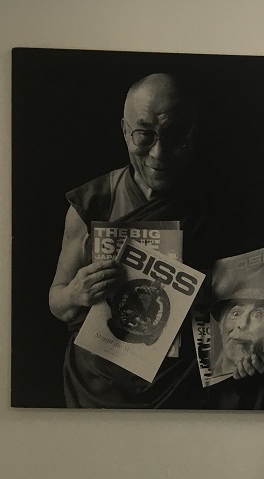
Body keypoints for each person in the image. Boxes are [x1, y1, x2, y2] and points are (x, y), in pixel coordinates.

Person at [48, 72, 213, 408]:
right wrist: (76, 292)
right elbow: (57, 302)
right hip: (98, 384)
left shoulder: (214, 205)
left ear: (192, 133)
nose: (159, 152)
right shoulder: (93, 203)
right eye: (144, 135)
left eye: (174, 134)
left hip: (180, 389)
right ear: (125, 130)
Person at [211, 262, 264, 380]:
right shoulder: (196, 374)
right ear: (221, 324)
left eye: (256, 315)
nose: (242, 324)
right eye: (236, 313)